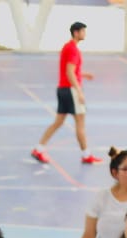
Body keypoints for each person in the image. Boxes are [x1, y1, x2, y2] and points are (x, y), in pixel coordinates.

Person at [32, 23, 99, 165]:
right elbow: (69, 72)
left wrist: (83, 75)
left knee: (58, 122)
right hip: (71, 90)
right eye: (82, 31)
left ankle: (39, 148)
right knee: (80, 123)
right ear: (76, 32)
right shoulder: (73, 49)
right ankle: (86, 154)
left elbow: (70, 70)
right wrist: (79, 91)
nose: (84, 34)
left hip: (62, 89)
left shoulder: (67, 47)